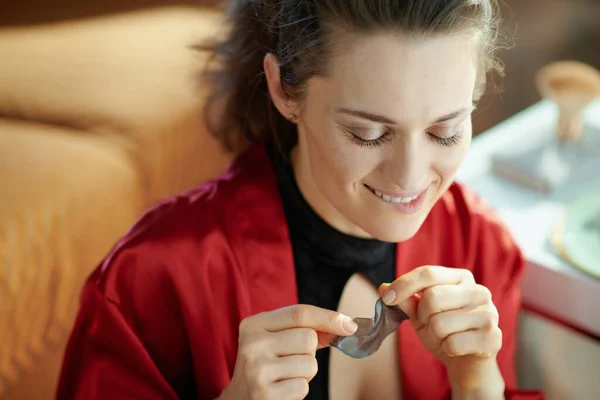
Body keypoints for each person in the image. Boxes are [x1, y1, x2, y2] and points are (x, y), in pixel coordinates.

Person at [56, 0, 546, 399]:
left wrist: (479, 384)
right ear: (284, 90)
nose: (411, 176)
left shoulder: (481, 244)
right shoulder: (153, 276)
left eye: (446, 130)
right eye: (368, 133)